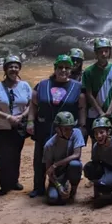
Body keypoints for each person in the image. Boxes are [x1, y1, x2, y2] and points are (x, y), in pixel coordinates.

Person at [27, 55, 86, 198]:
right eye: (60, 67)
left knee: (67, 158)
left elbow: (82, 107)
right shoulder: (42, 85)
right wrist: (30, 121)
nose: (63, 70)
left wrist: (82, 126)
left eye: (67, 67)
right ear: (55, 69)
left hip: (67, 130)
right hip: (44, 127)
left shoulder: (77, 87)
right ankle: (38, 187)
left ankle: (64, 182)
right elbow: (33, 104)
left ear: (71, 70)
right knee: (40, 157)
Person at [0, 55, 32, 195]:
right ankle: (4, 185)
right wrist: (7, 117)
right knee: (3, 157)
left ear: (19, 69)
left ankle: (14, 181)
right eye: (10, 66)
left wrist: (21, 116)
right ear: (5, 69)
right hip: (1, 128)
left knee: (16, 155)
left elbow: (31, 104)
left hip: (18, 126)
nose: (13, 69)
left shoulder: (25, 86)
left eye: (16, 67)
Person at [82, 38, 112, 145]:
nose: (103, 54)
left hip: (111, 114)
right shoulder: (88, 72)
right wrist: (100, 112)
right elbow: (89, 94)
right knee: (95, 142)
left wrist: (109, 110)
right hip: (94, 113)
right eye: (100, 51)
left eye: (106, 51)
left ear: (109, 52)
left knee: (110, 141)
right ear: (96, 53)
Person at [42, 111, 84, 205]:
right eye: (66, 129)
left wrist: (55, 164)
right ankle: (61, 185)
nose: (69, 132)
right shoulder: (49, 145)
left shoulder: (77, 133)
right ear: (57, 129)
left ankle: (73, 191)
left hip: (70, 168)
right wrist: (58, 186)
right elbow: (49, 171)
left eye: (71, 128)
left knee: (75, 165)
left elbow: (77, 154)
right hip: (58, 175)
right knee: (53, 199)